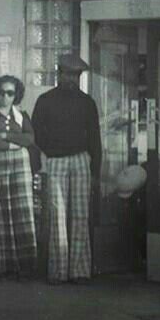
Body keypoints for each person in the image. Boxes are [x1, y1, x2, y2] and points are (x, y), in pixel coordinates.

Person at [31, 54, 102, 285]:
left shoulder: (87, 102)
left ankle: (79, 270)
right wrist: (49, 150)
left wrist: (96, 172)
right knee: (57, 215)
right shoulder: (45, 100)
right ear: (58, 74)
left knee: (81, 215)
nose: (72, 79)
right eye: (68, 74)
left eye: (76, 75)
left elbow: (95, 139)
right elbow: (35, 133)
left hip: (82, 159)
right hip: (56, 161)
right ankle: (59, 271)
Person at [0, 76, 37, 281]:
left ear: (15, 95)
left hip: (19, 166)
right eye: (2, 92)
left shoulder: (21, 115)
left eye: (10, 93)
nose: (5, 97)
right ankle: (3, 264)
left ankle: (23, 263)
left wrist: (4, 136)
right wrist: (11, 144)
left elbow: (29, 138)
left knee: (21, 211)